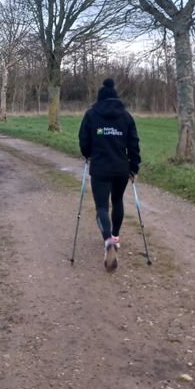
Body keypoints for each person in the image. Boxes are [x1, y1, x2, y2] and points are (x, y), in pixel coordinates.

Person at [78, 78, 141, 271]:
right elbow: (134, 144)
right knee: (118, 200)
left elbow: (83, 139)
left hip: (100, 168)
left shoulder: (91, 114)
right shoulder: (126, 116)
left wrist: (88, 154)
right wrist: (134, 168)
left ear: (99, 98)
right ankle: (115, 236)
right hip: (121, 168)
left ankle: (107, 240)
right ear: (115, 97)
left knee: (102, 207)